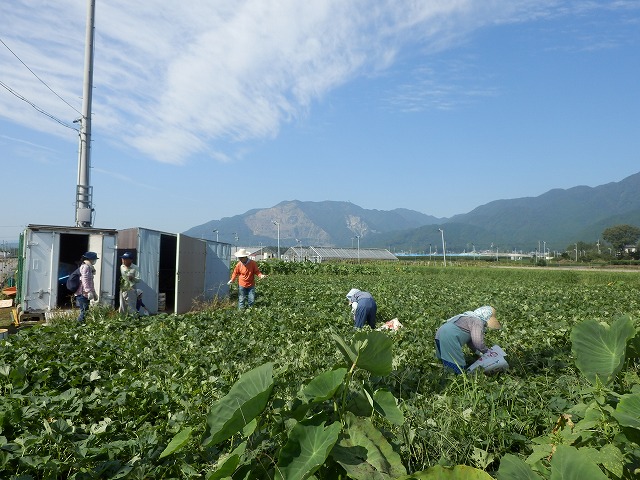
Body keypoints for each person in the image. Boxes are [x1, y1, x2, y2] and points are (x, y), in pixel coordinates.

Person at [435, 305, 501, 374]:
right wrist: (487, 352)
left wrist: (478, 353)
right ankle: (456, 378)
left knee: (445, 358)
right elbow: (478, 342)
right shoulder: (477, 321)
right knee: (457, 365)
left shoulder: (468, 317)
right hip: (450, 337)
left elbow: (470, 342)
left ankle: (443, 375)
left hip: (440, 332)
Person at [74, 251, 99, 324]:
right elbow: (85, 280)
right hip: (82, 293)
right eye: (94, 259)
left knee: (85, 311)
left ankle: (82, 325)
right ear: (90, 259)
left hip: (85, 293)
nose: (95, 261)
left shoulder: (89, 267)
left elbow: (91, 282)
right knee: (84, 311)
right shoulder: (85, 267)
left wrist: (94, 293)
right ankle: (78, 326)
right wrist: (88, 291)